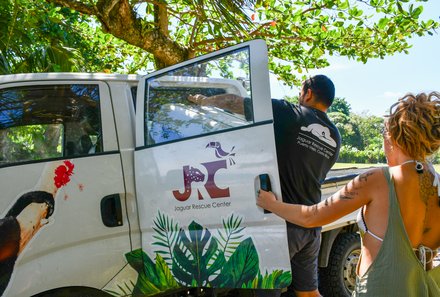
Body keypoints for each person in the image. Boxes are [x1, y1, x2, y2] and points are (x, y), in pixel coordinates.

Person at [257, 92, 440, 296]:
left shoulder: (378, 179)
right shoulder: (437, 184)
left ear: (391, 135)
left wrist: (271, 203)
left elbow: (312, 216)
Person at [189, 75, 341, 297]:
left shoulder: (291, 114)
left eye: (301, 92)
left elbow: (234, 103)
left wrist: (203, 101)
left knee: (266, 291)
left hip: (282, 224)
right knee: (308, 292)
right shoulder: (335, 136)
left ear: (308, 93)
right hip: (310, 222)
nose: (299, 96)